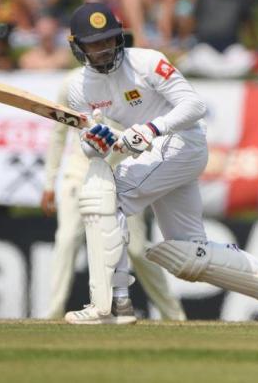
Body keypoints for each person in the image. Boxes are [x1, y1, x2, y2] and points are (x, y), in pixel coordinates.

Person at [62, 2, 258, 325]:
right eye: (94, 45)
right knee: (187, 252)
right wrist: (95, 143)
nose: (103, 50)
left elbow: (193, 105)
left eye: (108, 41)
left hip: (182, 142)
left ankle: (114, 304)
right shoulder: (79, 88)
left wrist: (151, 129)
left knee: (107, 198)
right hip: (155, 152)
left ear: (120, 38)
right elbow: (90, 145)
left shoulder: (147, 62)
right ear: (78, 47)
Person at [41, 68, 186, 321]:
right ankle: (53, 312)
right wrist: (49, 182)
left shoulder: (136, 85)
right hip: (80, 174)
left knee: (137, 250)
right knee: (66, 240)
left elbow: (147, 135)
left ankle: (174, 315)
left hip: (122, 175)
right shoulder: (72, 83)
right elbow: (58, 134)